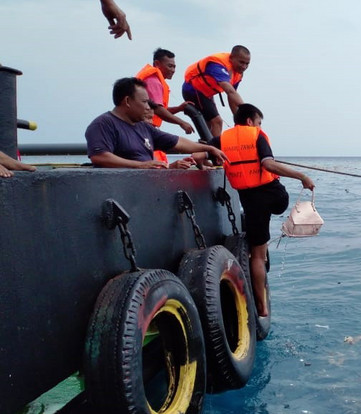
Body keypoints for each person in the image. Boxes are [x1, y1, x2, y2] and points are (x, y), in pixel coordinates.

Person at [211, 103, 314, 317]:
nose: (259, 126)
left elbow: (202, 155)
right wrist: (302, 176)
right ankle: (265, 236)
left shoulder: (222, 140)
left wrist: (193, 163)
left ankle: (261, 306)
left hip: (249, 199)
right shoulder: (257, 136)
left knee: (257, 255)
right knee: (279, 204)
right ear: (250, 121)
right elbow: (268, 164)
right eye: (258, 122)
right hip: (272, 196)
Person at [85, 77, 227, 169]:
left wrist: (209, 148)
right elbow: (100, 156)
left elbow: (179, 142)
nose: (148, 107)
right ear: (127, 101)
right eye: (145, 102)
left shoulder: (144, 127)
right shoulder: (103, 124)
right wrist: (140, 165)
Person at [136, 48, 195, 163]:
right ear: (157, 64)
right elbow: (158, 110)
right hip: (143, 129)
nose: (173, 70)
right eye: (170, 66)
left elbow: (157, 109)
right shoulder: (153, 80)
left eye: (174, 67)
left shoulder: (152, 79)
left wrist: (178, 108)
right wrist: (181, 123)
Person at [182, 46, 251, 138]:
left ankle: (209, 145)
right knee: (217, 121)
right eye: (241, 62)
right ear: (231, 58)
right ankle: (217, 149)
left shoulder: (238, 73)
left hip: (207, 94)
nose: (244, 67)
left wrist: (238, 120)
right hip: (193, 90)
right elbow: (230, 91)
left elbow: (232, 97)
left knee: (211, 124)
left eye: (247, 64)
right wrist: (247, 111)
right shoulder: (217, 64)